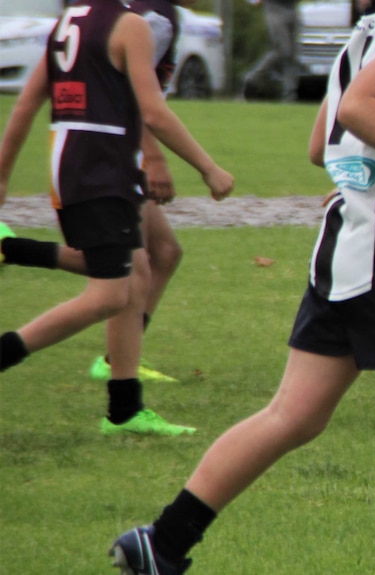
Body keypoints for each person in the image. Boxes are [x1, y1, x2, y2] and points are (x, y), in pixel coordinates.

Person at [110, 2, 375, 574]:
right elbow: (359, 108)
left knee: (292, 415)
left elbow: (323, 143)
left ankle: (163, 542)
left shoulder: (365, 35)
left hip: (346, 249)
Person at [0, 0, 234, 438]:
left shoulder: (68, 23)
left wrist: (2, 177)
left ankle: (125, 410)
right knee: (111, 294)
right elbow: (154, 111)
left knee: (132, 274)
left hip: (73, 164)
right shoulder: (130, 26)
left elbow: (26, 104)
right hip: (101, 166)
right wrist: (208, 168)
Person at [242, 0, 301, 101]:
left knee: (291, 54)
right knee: (283, 50)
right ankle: (253, 78)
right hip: (275, 7)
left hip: (292, 7)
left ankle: (290, 95)